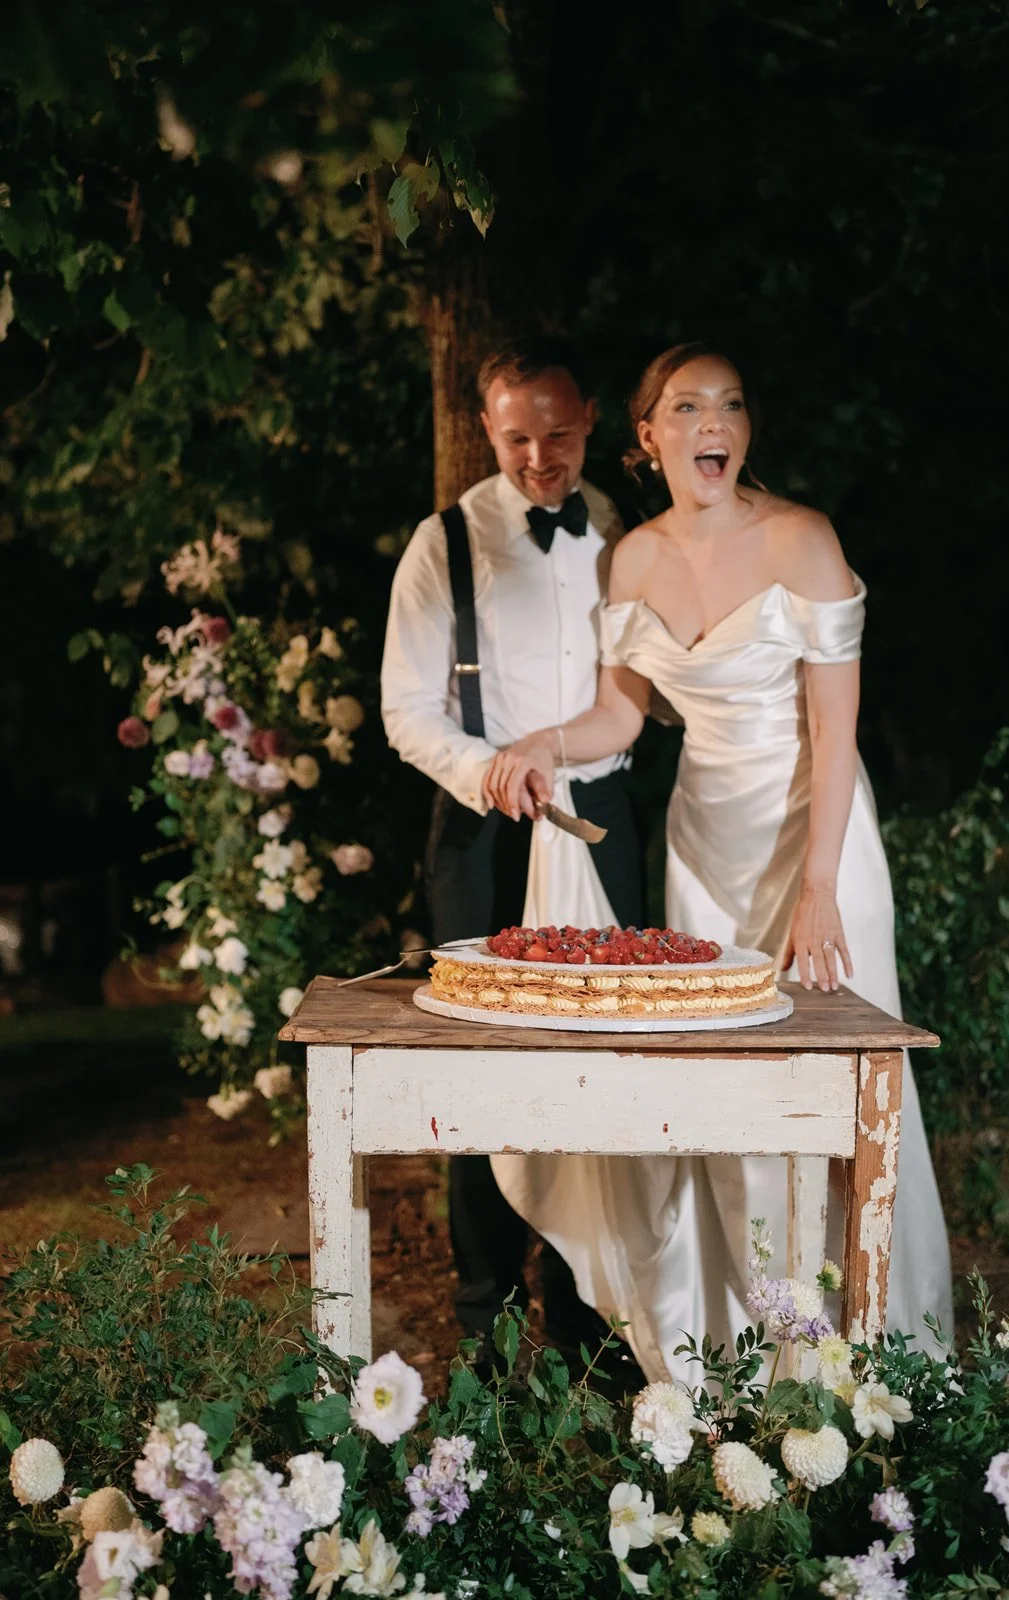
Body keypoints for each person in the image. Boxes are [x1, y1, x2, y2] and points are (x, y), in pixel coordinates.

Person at [482, 341, 954, 1382]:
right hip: (703, 846)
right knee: (730, 1103)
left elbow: (837, 737)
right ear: (645, 437)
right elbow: (620, 712)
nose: (713, 424)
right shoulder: (634, 557)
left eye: (730, 405)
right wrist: (535, 748)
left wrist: (819, 892)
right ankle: (756, 1363)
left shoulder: (803, 541)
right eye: (686, 407)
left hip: (813, 837)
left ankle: (870, 1366)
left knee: (837, 1102)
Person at [380, 335, 645, 1360]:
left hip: (603, 827)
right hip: (483, 834)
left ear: (588, 423)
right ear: (486, 430)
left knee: (602, 1063)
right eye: (517, 438)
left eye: (560, 434)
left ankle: (588, 1317)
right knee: (482, 1072)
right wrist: (484, 770)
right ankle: (484, 1324)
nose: (541, 458)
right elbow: (406, 710)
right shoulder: (440, 545)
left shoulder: (623, 534)